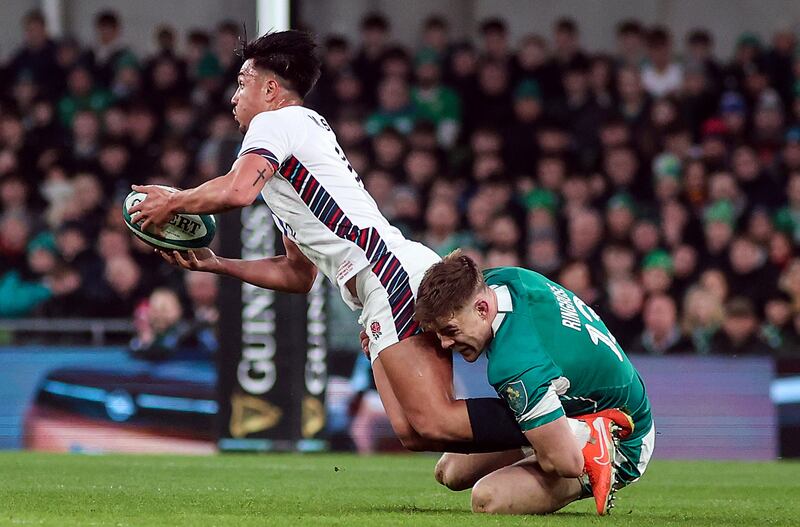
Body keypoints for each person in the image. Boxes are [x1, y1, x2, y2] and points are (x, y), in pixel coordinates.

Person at [128, 30, 541, 456]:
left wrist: (173, 200)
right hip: (379, 282)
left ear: (270, 88)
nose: (233, 97)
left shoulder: (277, 123)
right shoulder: (290, 163)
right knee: (415, 432)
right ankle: (547, 439)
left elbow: (236, 192)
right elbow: (297, 274)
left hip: (388, 272)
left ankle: (565, 430)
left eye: (241, 83)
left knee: (433, 420)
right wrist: (217, 264)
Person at [414, 251, 655, 515]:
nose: (445, 344)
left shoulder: (516, 363)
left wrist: (568, 438)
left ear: (482, 309)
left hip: (625, 435)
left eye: (450, 331)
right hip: (589, 397)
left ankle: (590, 438)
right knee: (449, 472)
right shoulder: (502, 280)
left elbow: (567, 464)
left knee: (487, 499)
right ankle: (564, 431)